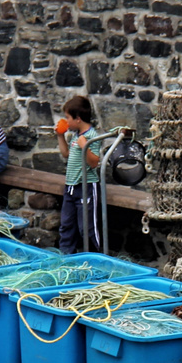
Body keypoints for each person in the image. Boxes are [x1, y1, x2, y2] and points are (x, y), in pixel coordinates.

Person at [55, 94, 102, 254]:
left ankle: (95, 255)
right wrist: (60, 136)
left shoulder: (91, 136)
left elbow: (94, 162)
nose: (66, 121)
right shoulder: (77, 136)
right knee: (66, 224)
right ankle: (65, 255)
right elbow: (66, 153)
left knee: (87, 227)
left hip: (86, 187)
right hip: (71, 187)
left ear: (78, 119)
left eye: (68, 117)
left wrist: (85, 147)